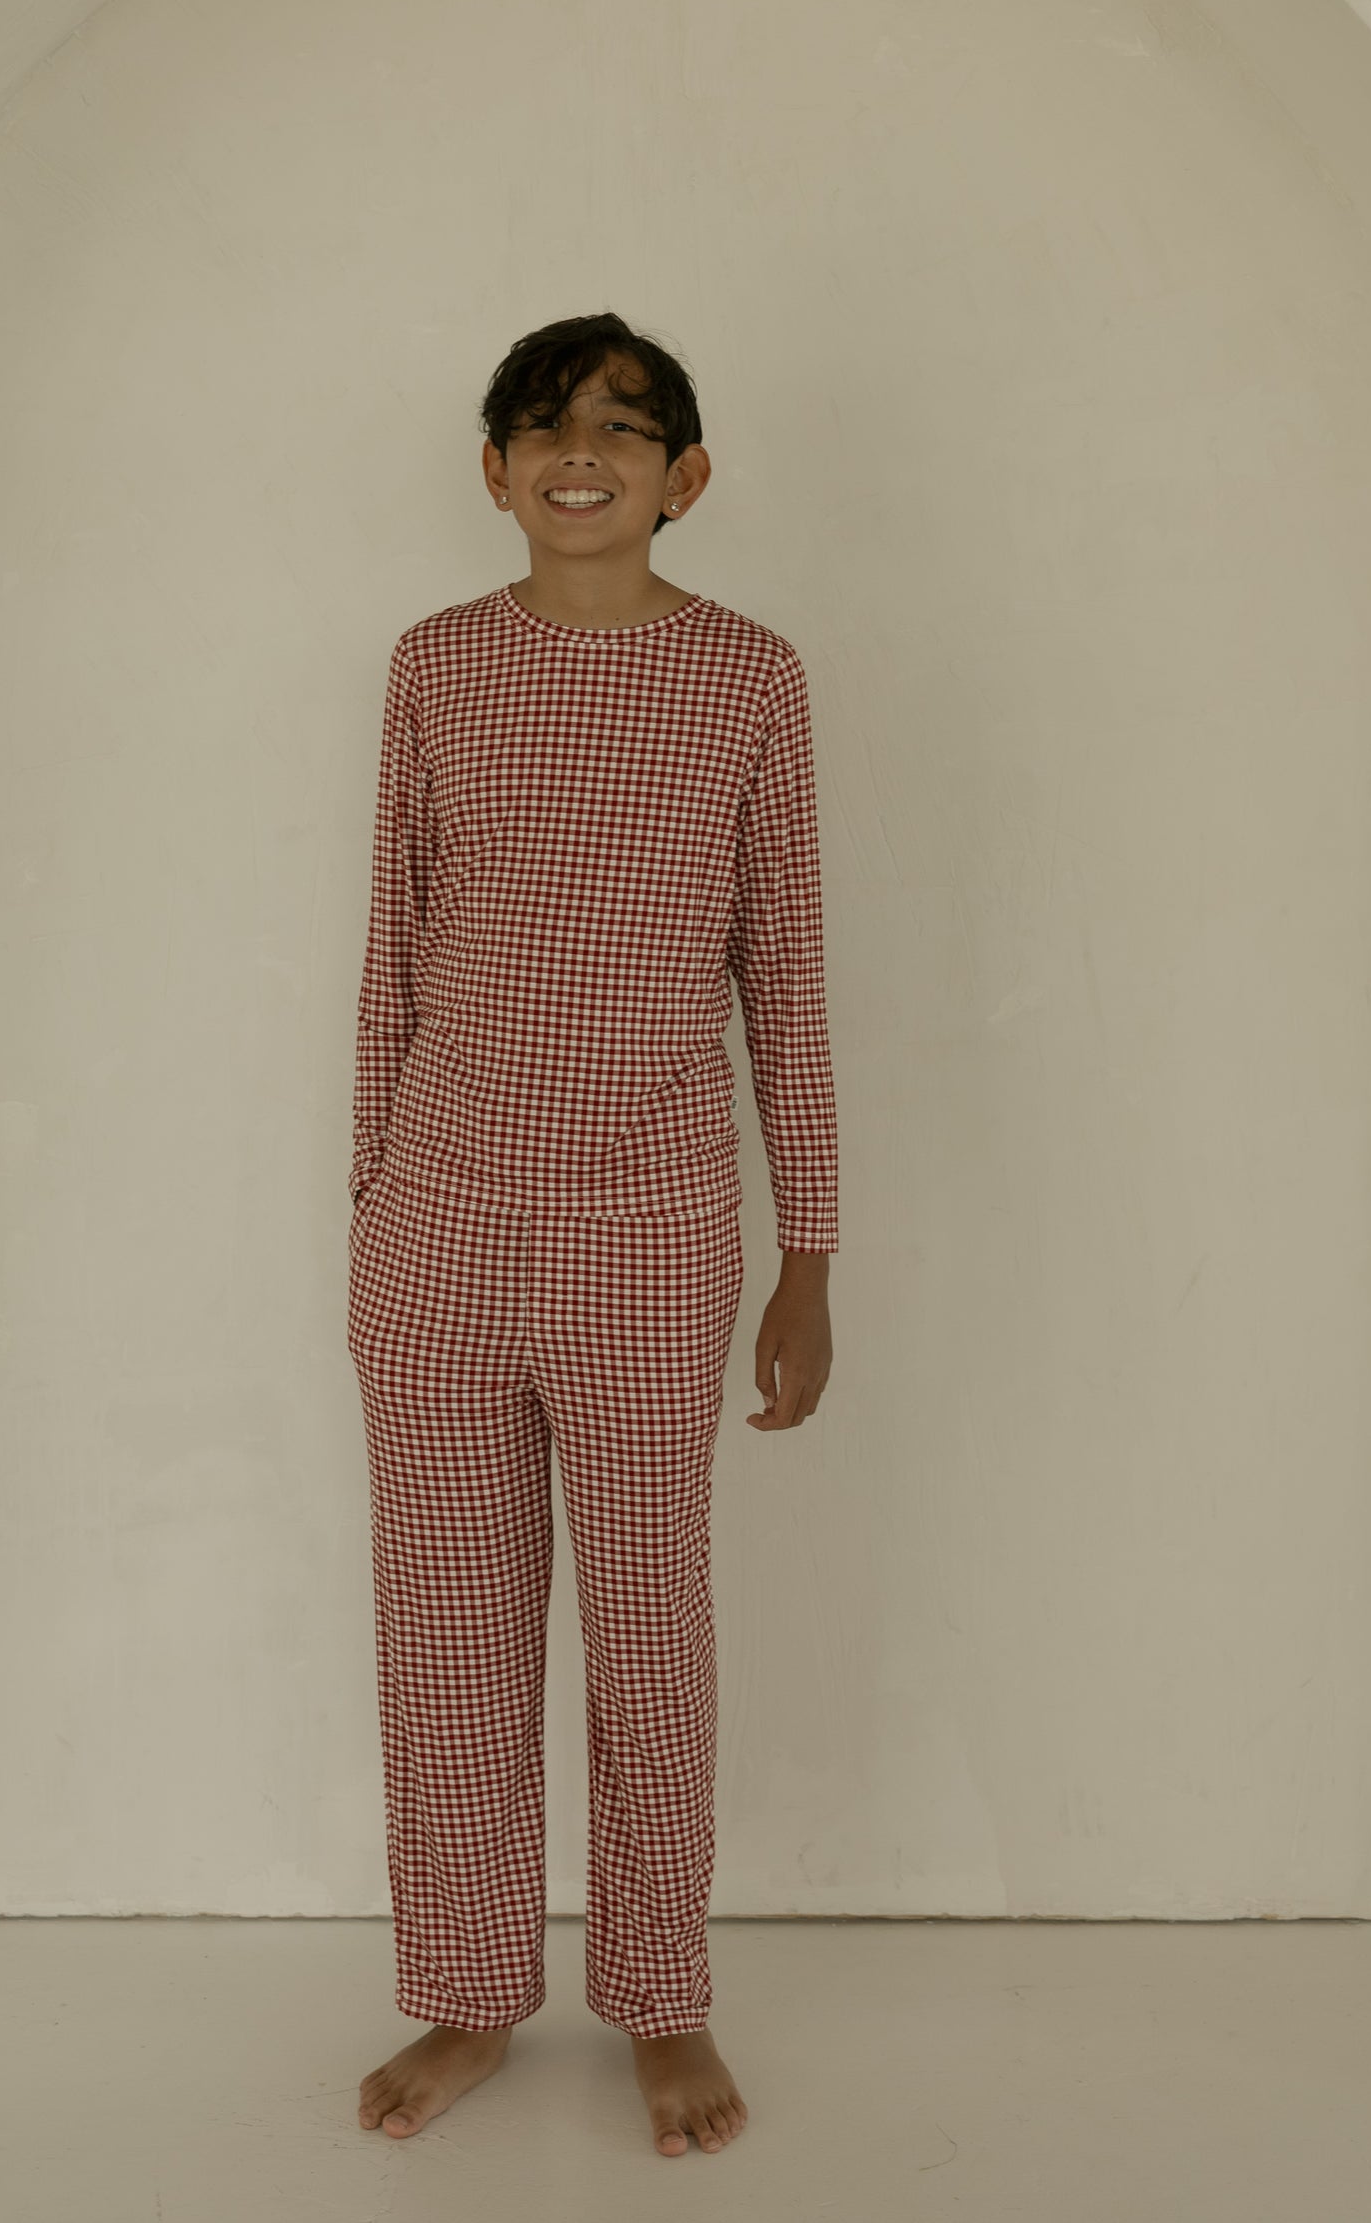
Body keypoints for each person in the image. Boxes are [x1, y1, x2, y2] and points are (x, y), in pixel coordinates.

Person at [348, 311, 838, 2158]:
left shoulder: (749, 681)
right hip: (440, 1228)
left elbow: (780, 976)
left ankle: (661, 1993)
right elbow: (388, 961)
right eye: (546, 427)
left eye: (625, 431)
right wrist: (369, 1215)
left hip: (650, 1229)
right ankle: (471, 1986)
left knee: (649, 1622)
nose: (585, 454)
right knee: (449, 1628)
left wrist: (813, 1252)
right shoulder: (435, 670)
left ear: (684, 478)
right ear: (493, 468)